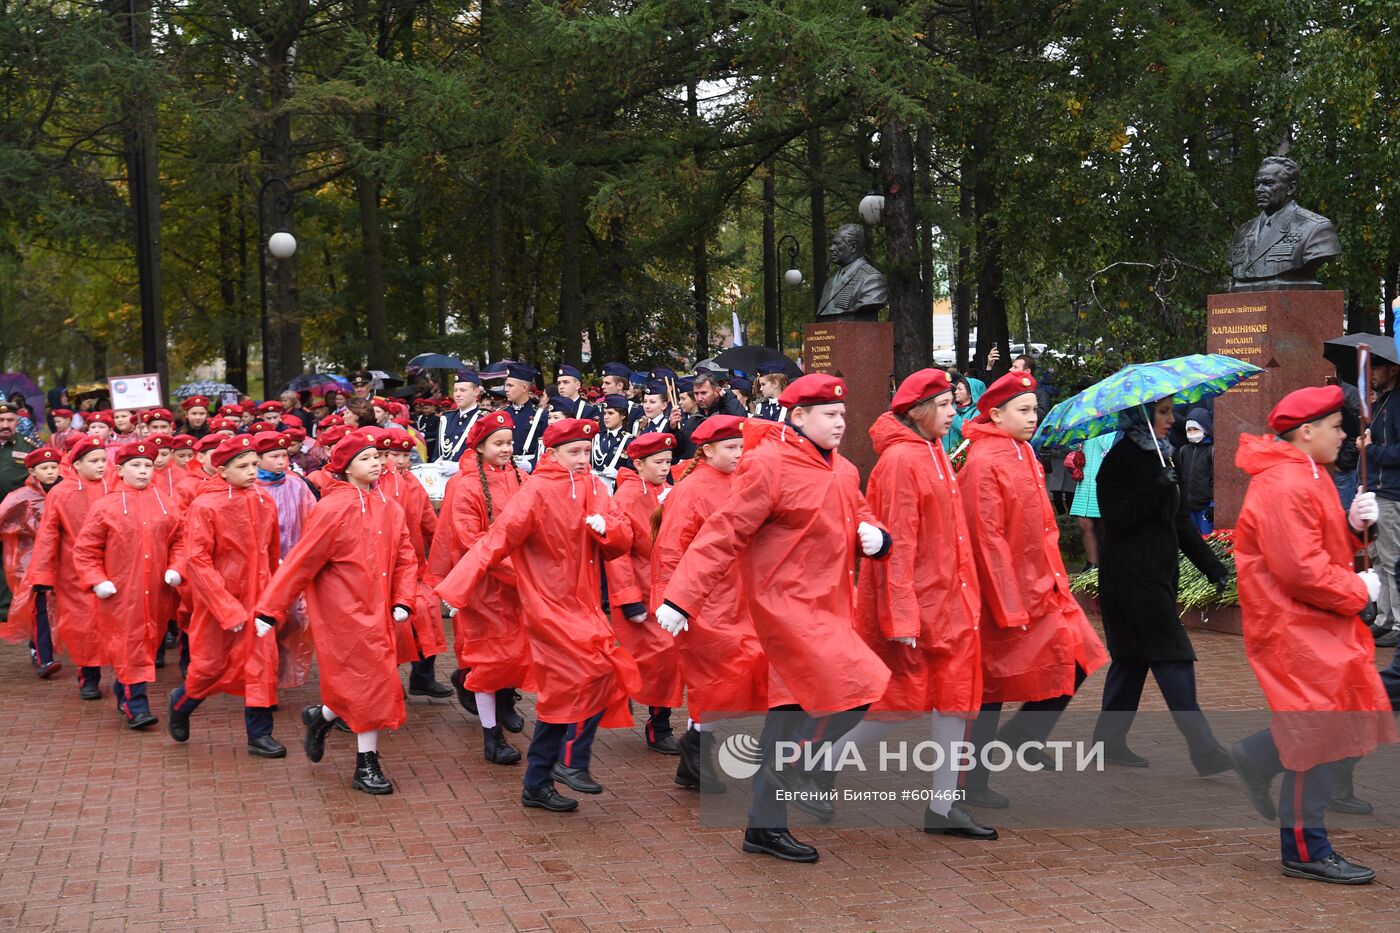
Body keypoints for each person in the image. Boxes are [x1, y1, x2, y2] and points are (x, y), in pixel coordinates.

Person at [657, 375, 893, 864]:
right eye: (829, 415)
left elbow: (859, 515)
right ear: (798, 416)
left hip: (829, 605)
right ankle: (792, 788)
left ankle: (766, 822)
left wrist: (875, 536)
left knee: (802, 714)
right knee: (856, 688)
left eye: (843, 416)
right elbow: (725, 532)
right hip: (785, 608)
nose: (839, 423)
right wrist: (681, 599)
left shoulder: (844, 469)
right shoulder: (767, 463)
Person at [1228, 385, 1396, 884]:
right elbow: (1300, 569)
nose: (1345, 435)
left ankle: (1258, 759)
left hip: (1310, 621)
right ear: (1307, 431)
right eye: (1336, 427)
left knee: (1327, 723)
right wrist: (1358, 587)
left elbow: (1317, 545)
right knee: (1318, 733)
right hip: (1294, 623)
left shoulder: (1308, 472)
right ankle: (1305, 847)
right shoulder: (1287, 482)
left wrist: (1352, 527)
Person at [435, 418, 641, 812]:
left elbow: (622, 540)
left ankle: (542, 778)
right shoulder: (537, 491)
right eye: (574, 452)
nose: (583, 459)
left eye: (586, 452)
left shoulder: (595, 487)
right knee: (587, 676)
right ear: (552, 454)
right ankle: (565, 764)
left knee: (597, 676)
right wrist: (458, 589)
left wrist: (607, 530)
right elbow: (495, 541)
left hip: (582, 604)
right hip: (547, 606)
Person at [827, 369, 994, 839]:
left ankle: (943, 806)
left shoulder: (931, 450)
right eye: (943, 406)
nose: (953, 412)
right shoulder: (903, 460)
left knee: (953, 700)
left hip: (948, 600)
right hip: (924, 604)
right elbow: (895, 542)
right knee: (903, 702)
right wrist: (902, 615)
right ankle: (820, 764)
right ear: (919, 411)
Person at [958, 372, 1108, 809]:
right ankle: (974, 780)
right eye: (1022, 410)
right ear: (996, 413)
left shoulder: (1021, 452)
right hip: (1006, 595)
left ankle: (1021, 736)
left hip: (1042, 587)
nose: (1033, 417)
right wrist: (1007, 602)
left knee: (1081, 654)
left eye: (1034, 409)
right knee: (990, 690)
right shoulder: (985, 461)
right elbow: (986, 537)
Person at [256, 429, 418, 795]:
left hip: (379, 611)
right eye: (365, 458)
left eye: (377, 456)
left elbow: (406, 557)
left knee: (370, 684)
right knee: (368, 685)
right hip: (342, 613)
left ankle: (322, 716)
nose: (376, 462)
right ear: (345, 468)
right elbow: (301, 562)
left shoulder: (390, 507)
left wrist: (403, 600)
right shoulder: (331, 508)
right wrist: (270, 610)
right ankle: (366, 764)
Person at [1090, 398, 1232, 773]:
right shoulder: (1119, 460)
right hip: (1131, 579)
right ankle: (1204, 749)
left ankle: (1107, 743)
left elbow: (1181, 521)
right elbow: (1116, 520)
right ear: (1143, 415)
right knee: (1172, 656)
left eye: (1171, 411)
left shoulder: (1164, 456)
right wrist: (1154, 488)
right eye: (1164, 412)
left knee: (1132, 660)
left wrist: (1212, 567)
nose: (1173, 419)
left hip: (1155, 576)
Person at [649, 414, 764, 792]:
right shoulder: (693, 488)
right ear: (708, 449)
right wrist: (671, 600)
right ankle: (698, 753)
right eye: (731, 447)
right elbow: (670, 548)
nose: (739, 453)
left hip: (736, 597)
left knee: (729, 680)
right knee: (718, 681)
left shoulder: (738, 480)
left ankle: (695, 757)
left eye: (741, 446)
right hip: (706, 601)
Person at [166, 435, 284, 757]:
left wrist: (274, 596)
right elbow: (197, 560)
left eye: (255, 465)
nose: (251, 472)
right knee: (210, 666)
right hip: (220, 601)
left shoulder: (263, 501)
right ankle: (182, 702)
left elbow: (271, 552)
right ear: (222, 470)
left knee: (262, 662)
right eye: (242, 466)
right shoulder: (205, 506)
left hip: (258, 598)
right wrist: (226, 607)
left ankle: (259, 734)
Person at [426, 411, 531, 764]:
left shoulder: (522, 477)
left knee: (516, 651)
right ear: (481, 445)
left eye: (509, 443)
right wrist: (517, 571)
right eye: (498, 443)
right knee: (488, 659)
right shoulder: (466, 485)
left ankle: (504, 700)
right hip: (483, 585)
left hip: (516, 584)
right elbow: (472, 540)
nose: (506, 449)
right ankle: (492, 734)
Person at [73, 439, 183, 730]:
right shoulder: (105, 506)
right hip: (121, 592)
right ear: (120, 470)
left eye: (148, 465)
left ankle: (124, 694)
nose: (143, 471)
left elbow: (180, 539)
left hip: (158, 591)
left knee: (145, 643)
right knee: (131, 644)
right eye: (135, 465)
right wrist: (97, 581)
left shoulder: (164, 502)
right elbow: (85, 550)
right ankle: (137, 706)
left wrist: (176, 567)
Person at [601, 431, 683, 754]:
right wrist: (626, 596)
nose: (666, 467)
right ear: (639, 463)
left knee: (666, 657)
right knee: (660, 656)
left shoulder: (667, 490)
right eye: (659, 462)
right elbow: (619, 551)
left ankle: (653, 715)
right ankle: (656, 723)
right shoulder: (628, 497)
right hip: (642, 588)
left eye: (668, 461)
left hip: (667, 587)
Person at [26, 437, 109, 698]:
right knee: (83, 624)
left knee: (119, 623)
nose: (101, 466)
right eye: (94, 461)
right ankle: (89, 677)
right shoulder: (61, 493)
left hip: (115, 567)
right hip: (74, 571)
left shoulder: (115, 486)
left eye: (104, 460)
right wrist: (42, 575)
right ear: (77, 464)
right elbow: (48, 534)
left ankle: (129, 681)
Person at [376, 431, 451, 699]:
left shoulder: (412, 484)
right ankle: (389, 680)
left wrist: (444, 554)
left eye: (405, 455)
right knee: (395, 625)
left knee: (428, 617)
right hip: (386, 569)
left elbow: (429, 521)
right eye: (393, 455)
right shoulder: (378, 485)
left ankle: (422, 677)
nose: (400, 461)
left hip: (415, 566)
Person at [253, 431, 317, 687]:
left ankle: (279, 665)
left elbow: (313, 517)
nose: (282, 461)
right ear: (258, 459)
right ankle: (263, 676)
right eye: (274, 456)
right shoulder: (252, 488)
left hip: (292, 565)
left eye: (284, 455)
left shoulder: (296, 484)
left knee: (294, 619)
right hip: (262, 567)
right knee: (265, 620)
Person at [0, 448, 64, 678]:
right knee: (41, 608)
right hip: (33, 561)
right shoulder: (21, 497)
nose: (50, 472)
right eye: (44, 468)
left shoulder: (67, 491)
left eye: (54, 467)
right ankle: (44, 657)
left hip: (64, 558)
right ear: (32, 471)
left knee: (62, 606)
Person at [1358, 352, 1400, 641]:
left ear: (1394, 370)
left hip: (1390, 492)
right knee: (1377, 556)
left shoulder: (1398, 403)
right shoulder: (1382, 401)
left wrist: (1370, 449)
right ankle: (1385, 618)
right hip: (1374, 489)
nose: (1370, 373)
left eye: (1377, 367)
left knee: (1392, 558)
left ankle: (1398, 623)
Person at [0, 402, 40, 622]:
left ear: (17, 422)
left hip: (14, 516)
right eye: (2, 421)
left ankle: (7, 608)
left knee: (11, 560)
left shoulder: (27, 446)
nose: (6, 425)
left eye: (10, 420)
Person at [1068, 432, 1113, 570]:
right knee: (1084, 523)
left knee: (1105, 525)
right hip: (1085, 480)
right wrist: (1077, 437)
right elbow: (1072, 446)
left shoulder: (1113, 425)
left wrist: (1099, 432)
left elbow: (1111, 446)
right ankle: (1092, 563)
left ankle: (1109, 563)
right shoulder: (1089, 425)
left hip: (1104, 481)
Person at [1176, 407, 1216, 535]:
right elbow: (1181, 478)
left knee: (1207, 540)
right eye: (1189, 430)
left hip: (1205, 507)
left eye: (1195, 429)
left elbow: (1216, 480)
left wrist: (1213, 504)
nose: (1192, 433)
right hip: (1188, 508)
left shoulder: (1211, 451)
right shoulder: (1183, 450)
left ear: (1204, 429)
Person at [503, 364, 547, 472]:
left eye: (510, 386)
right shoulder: (500, 414)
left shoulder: (541, 415)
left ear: (524, 388)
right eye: (506, 385)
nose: (506, 389)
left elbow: (546, 450)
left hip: (528, 474)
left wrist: (531, 464)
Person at [437, 373, 484, 464]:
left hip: (471, 475)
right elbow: (438, 453)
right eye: (455, 390)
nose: (457, 394)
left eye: (463, 390)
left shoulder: (483, 420)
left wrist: (459, 467)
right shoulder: (446, 418)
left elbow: (485, 457)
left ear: (476, 392)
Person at [591, 395, 633, 490]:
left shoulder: (629, 441)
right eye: (605, 413)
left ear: (623, 415)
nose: (606, 417)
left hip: (618, 492)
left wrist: (619, 475)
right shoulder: (598, 438)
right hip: (597, 490)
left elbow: (634, 473)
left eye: (610, 413)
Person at [943, 374, 984, 456]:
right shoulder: (954, 407)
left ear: (971, 393)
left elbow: (967, 431)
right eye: (956, 389)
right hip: (945, 456)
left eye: (960, 389)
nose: (955, 392)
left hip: (961, 459)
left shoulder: (979, 413)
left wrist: (952, 414)